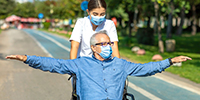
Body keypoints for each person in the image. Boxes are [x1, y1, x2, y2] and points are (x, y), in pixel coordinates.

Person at [6, 30, 192, 100]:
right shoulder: (80, 64)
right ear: (93, 47)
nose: (108, 47)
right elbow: (53, 64)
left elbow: (145, 69)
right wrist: (26, 58)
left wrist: (169, 61)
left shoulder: (121, 64)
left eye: (109, 43)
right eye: (103, 44)